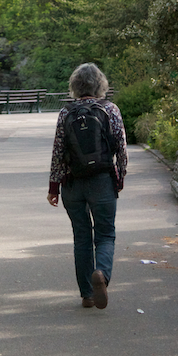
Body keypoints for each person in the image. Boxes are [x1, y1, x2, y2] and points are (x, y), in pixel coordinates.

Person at [47, 62, 127, 309]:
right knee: (105, 234)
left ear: (75, 85)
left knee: (81, 237)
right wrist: (119, 178)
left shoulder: (66, 113)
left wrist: (53, 187)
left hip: (73, 184)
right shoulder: (110, 110)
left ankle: (87, 295)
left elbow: (58, 152)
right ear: (100, 84)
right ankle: (101, 273)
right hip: (102, 180)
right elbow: (121, 149)